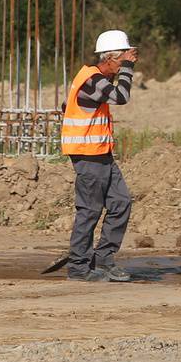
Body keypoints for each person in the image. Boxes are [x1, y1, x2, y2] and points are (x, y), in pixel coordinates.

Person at [62, 29, 137, 283]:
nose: (121, 67)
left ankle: (104, 260)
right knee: (90, 210)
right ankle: (79, 267)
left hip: (101, 153)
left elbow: (69, 106)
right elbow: (121, 96)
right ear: (108, 59)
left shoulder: (94, 79)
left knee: (120, 202)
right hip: (87, 156)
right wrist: (129, 67)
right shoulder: (92, 79)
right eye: (119, 62)